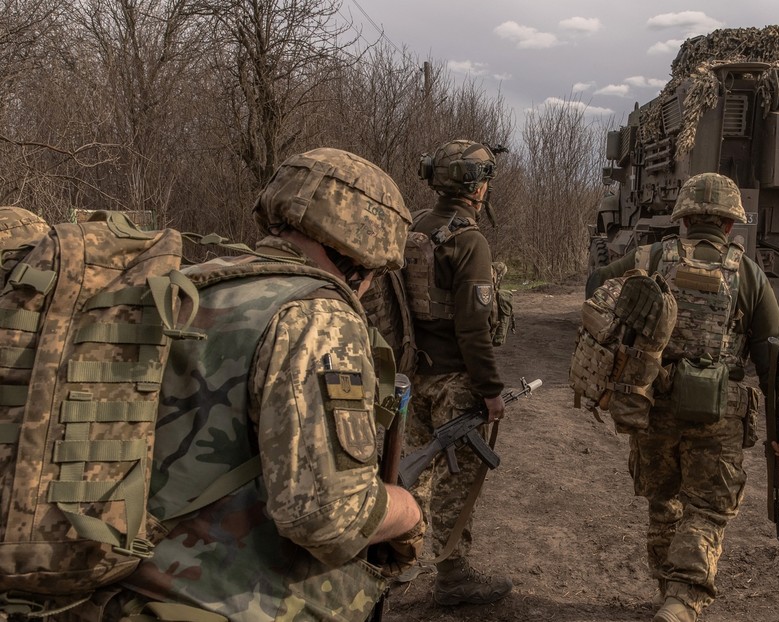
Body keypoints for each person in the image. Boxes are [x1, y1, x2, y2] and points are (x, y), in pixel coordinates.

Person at [69, 148, 424, 621]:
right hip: (219, 601)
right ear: (363, 253)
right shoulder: (318, 317)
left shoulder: (192, 282)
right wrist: (408, 512)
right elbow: (328, 517)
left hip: (115, 590)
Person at [587, 172, 779, 622]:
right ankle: (682, 599)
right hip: (717, 412)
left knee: (664, 499)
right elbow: (773, 355)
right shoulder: (747, 272)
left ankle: (668, 590)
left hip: (652, 402)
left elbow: (595, 291)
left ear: (682, 220)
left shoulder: (646, 256)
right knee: (707, 507)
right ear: (729, 225)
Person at [403, 138, 511, 606]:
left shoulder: (412, 230)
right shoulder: (468, 241)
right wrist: (490, 391)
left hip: (412, 379)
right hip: (453, 385)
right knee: (456, 484)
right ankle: (452, 576)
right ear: (476, 187)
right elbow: (474, 327)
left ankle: (396, 563)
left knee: (414, 476)